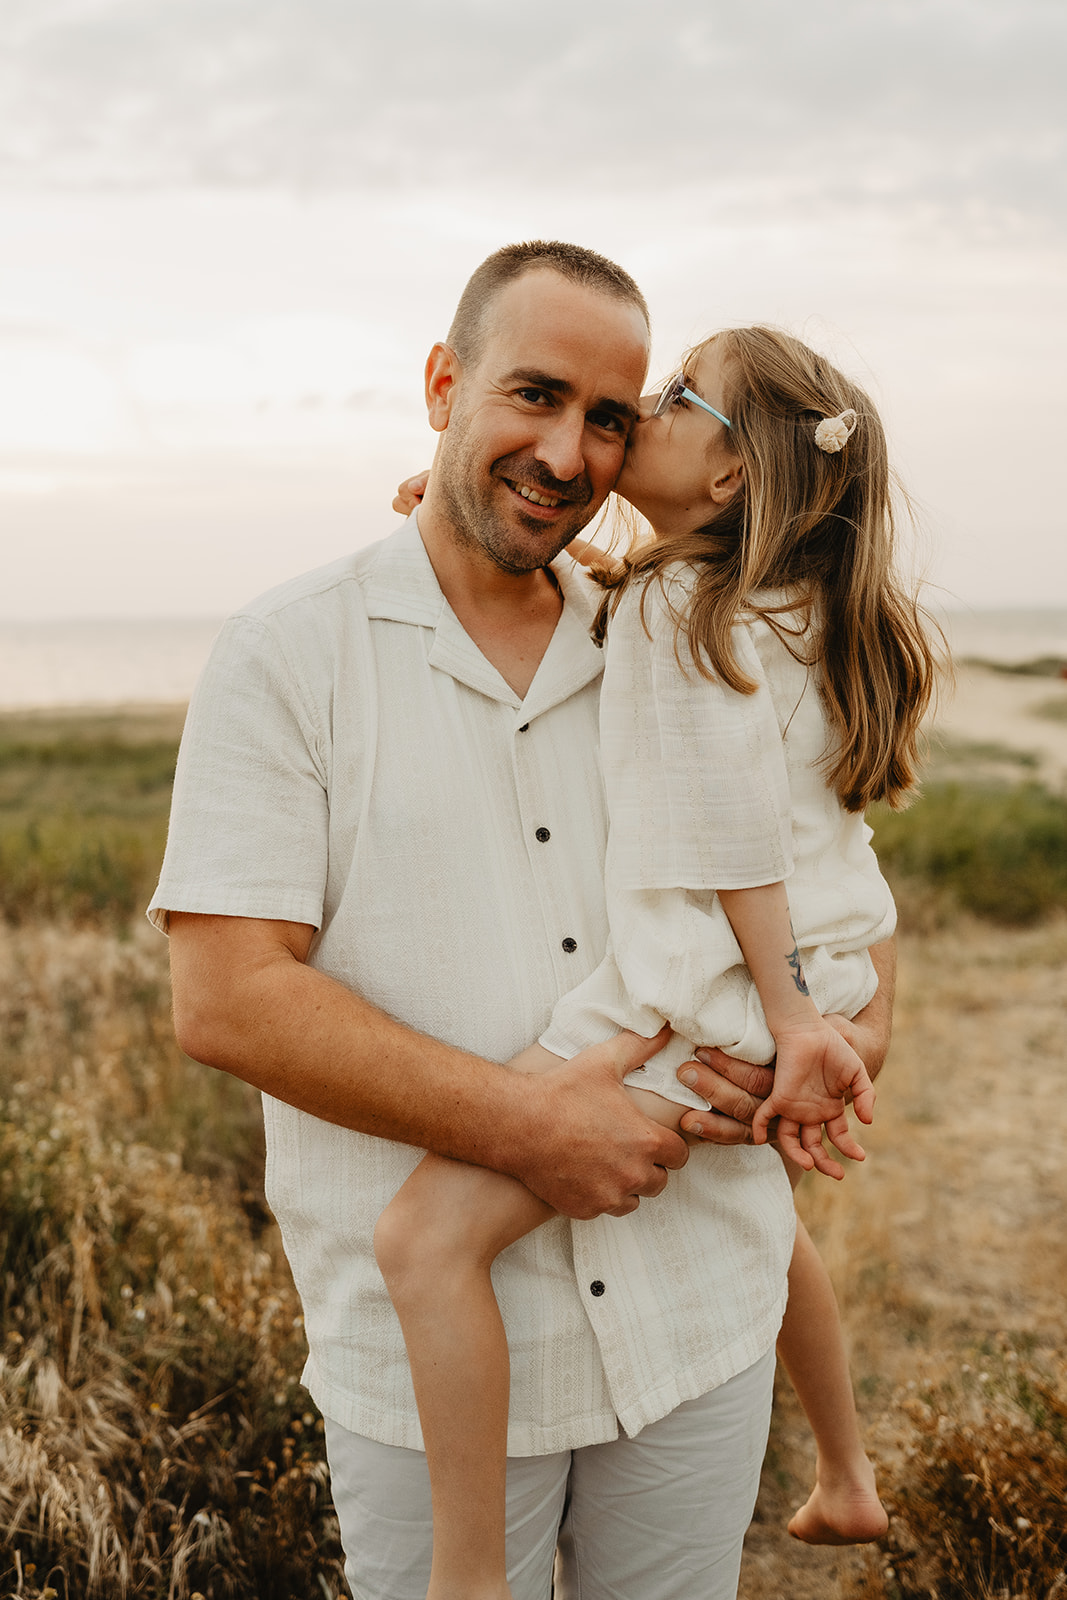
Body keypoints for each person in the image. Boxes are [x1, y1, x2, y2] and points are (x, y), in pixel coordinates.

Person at [149, 241, 896, 1600]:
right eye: (530, 397)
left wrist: (857, 1018)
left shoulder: (660, 626)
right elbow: (226, 1000)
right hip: (422, 1368)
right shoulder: (288, 652)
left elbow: (812, 833)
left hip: (693, 1317)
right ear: (442, 383)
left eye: (609, 418)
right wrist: (526, 1128)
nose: (566, 452)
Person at [381, 323, 938, 1595]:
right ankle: (845, 1474)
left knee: (423, 1239)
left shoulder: (685, 611)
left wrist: (790, 1020)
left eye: (668, 395)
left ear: (731, 476)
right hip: (805, 977)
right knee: (764, 1224)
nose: (635, 405)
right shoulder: (779, 604)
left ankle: (465, 1576)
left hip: (716, 991)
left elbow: (733, 838)